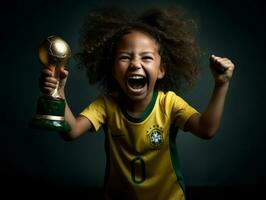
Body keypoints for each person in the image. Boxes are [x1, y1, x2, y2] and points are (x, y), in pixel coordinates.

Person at [40, 6, 235, 200]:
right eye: (125, 57)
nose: (134, 64)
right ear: (114, 70)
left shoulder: (169, 104)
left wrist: (221, 84)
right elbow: (71, 131)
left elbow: (206, 129)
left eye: (147, 57)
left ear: (161, 70)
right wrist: (58, 91)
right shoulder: (107, 105)